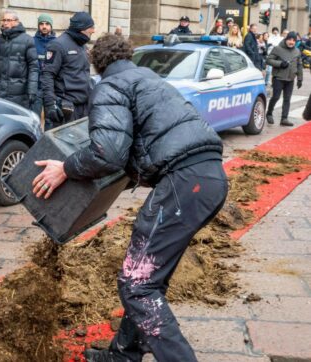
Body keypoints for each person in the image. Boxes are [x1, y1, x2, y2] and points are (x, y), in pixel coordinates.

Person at [31, 34, 227, 362]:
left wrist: (65, 167)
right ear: (128, 56)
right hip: (208, 179)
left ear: (97, 62)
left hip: (184, 184)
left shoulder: (111, 87)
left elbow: (107, 153)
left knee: (137, 284)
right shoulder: (148, 79)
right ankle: (122, 356)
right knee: (150, 280)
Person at [40, 11, 95, 129]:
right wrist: (50, 105)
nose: (93, 30)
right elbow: (47, 75)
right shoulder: (57, 45)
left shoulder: (83, 46)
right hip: (66, 108)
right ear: (82, 28)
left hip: (83, 108)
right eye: (91, 27)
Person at [0, 9, 39, 109]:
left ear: (16, 22)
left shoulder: (28, 40)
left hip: (19, 93)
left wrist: (32, 90)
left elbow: (34, 67)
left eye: (8, 20)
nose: (5, 22)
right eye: (3, 20)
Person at [266, 31, 303, 127]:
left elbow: (299, 65)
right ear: (286, 39)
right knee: (276, 97)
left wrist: (300, 78)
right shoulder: (277, 49)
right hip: (279, 78)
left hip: (290, 79)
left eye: (294, 40)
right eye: (290, 40)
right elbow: (268, 60)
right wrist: (280, 64)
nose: (291, 42)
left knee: (287, 99)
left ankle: (284, 118)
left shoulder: (297, 51)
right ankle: (269, 113)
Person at [32, 13, 56, 117]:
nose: (44, 26)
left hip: (51, 88)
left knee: (51, 119)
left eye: (47, 24)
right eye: (41, 24)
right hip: (36, 87)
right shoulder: (32, 41)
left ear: (51, 26)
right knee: (34, 118)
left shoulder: (57, 43)